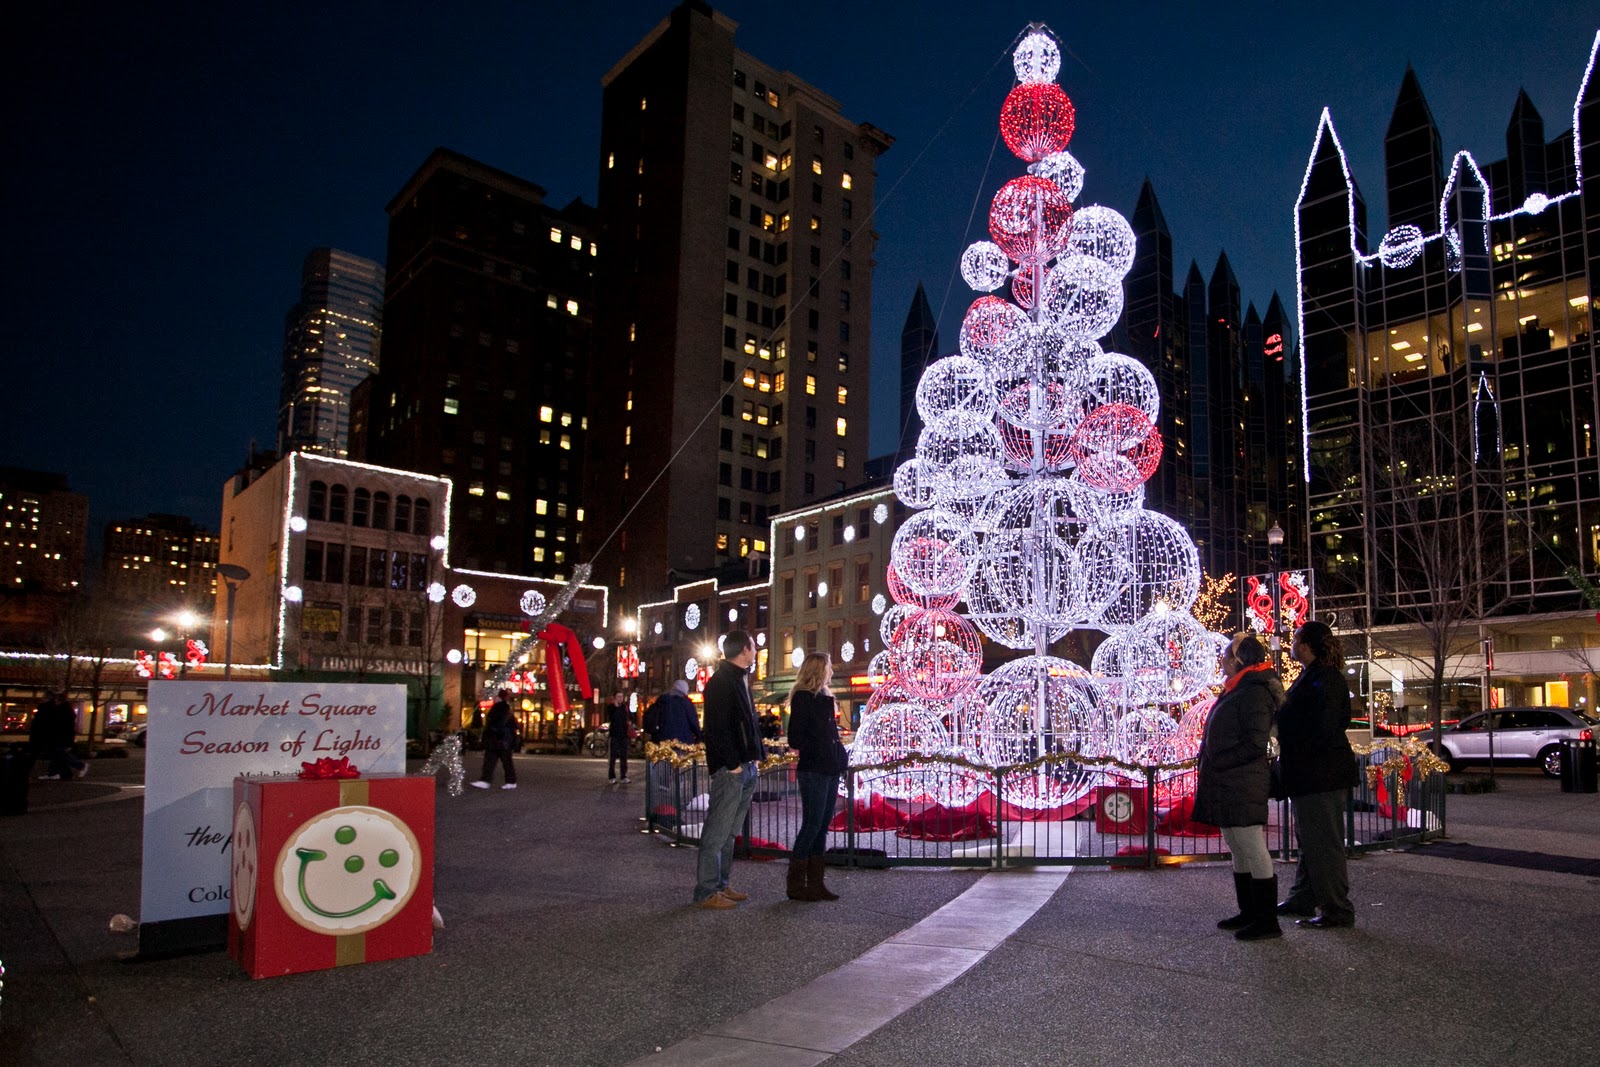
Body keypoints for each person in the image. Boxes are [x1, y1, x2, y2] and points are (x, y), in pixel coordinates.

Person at [1193, 633, 1284, 941]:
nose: (1222, 661)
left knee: (1252, 846)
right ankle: (1250, 911)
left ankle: (1267, 920)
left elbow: (1255, 743)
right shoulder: (1238, 689)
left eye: (1226, 656)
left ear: (1239, 661)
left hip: (1242, 780)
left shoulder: (1253, 692)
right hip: (1230, 780)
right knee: (1237, 844)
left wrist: (1219, 760)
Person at [1276, 620, 1361, 929]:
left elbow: (1322, 726)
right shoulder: (1316, 676)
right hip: (1313, 773)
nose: (1292, 645)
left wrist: (1289, 734)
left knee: (1324, 843)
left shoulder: (1324, 679)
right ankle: (1303, 896)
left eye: (1296, 640)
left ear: (1307, 646)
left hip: (1319, 775)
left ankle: (1336, 908)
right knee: (1311, 840)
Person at [692, 630, 762, 909]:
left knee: (729, 831)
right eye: (753, 647)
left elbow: (746, 724)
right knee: (718, 830)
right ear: (744, 649)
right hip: (731, 768)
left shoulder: (737, 679)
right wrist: (733, 765)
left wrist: (753, 758)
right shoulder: (722, 682)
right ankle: (706, 891)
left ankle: (720, 885)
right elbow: (718, 729)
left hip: (744, 765)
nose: (755, 651)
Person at [785, 651, 847, 902]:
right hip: (814, 769)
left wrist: (840, 758)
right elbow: (795, 738)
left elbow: (832, 735)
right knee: (811, 824)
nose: (832, 671)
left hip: (829, 768)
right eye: (829, 667)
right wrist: (821, 744)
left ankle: (816, 883)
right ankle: (796, 884)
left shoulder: (825, 698)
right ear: (819, 670)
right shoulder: (803, 698)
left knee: (821, 826)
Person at [31, 691, 86, 781]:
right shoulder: (63, 710)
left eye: (56, 700)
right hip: (59, 738)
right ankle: (57, 773)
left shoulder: (62, 711)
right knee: (58, 754)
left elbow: (63, 727)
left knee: (60, 753)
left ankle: (79, 766)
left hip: (60, 738)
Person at [470, 689, 518, 790]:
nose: (493, 698)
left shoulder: (501, 707)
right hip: (502, 739)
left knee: (498, 760)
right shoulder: (505, 707)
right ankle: (505, 781)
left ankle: (487, 780)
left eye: (495, 696)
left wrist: (493, 730)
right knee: (499, 760)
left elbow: (499, 723)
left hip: (499, 739)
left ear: (498, 697)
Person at [659, 680, 701, 745]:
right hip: (683, 741)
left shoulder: (662, 700)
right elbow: (693, 721)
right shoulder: (686, 702)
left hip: (663, 741)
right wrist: (698, 736)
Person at [606, 691, 634, 784]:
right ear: (614, 698)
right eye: (618, 696)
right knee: (613, 756)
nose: (620, 698)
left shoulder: (624, 707)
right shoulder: (611, 707)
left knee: (624, 756)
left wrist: (629, 722)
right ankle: (611, 776)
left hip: (624, 735)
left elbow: (630, 717)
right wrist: (616, 708)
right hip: (614, 735)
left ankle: (623, 776)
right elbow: (612, 718)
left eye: (622, 696)